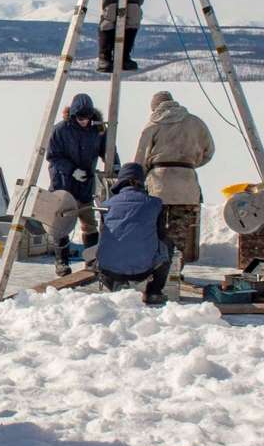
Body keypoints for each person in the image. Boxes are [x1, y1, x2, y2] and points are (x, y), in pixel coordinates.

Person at [134, 91, 215, 271]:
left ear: (154, 107)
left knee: (157, 229)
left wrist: (138, 178)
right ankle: (174, 270)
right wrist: (189, 164)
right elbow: (209, 151)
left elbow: (140, 158)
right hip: (187, 182)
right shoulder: (195, 122)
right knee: (179, 232)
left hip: (159, 183)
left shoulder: (152, 125)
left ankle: (158, 272)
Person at [45, 93, 115, 275]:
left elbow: (108, 151)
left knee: (88, 221)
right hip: (63, 184)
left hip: (85, 184)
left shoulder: (98, 130)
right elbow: (52, 157)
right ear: (73, 115)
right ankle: (61, 262)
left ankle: (91, 260)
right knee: (61, 223)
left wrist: (115, 167)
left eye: (87, 117)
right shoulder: (60, 130)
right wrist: (71, 170)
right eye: (80, 118)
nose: (84, 121)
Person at [96, 162, 172, 305]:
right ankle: (154, 292)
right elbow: (161, 234)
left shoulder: (106, 205)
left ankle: (115, 283)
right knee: (167, 244)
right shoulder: (155, 204)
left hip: (108, 270)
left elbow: (103, 234)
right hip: (142, 271)